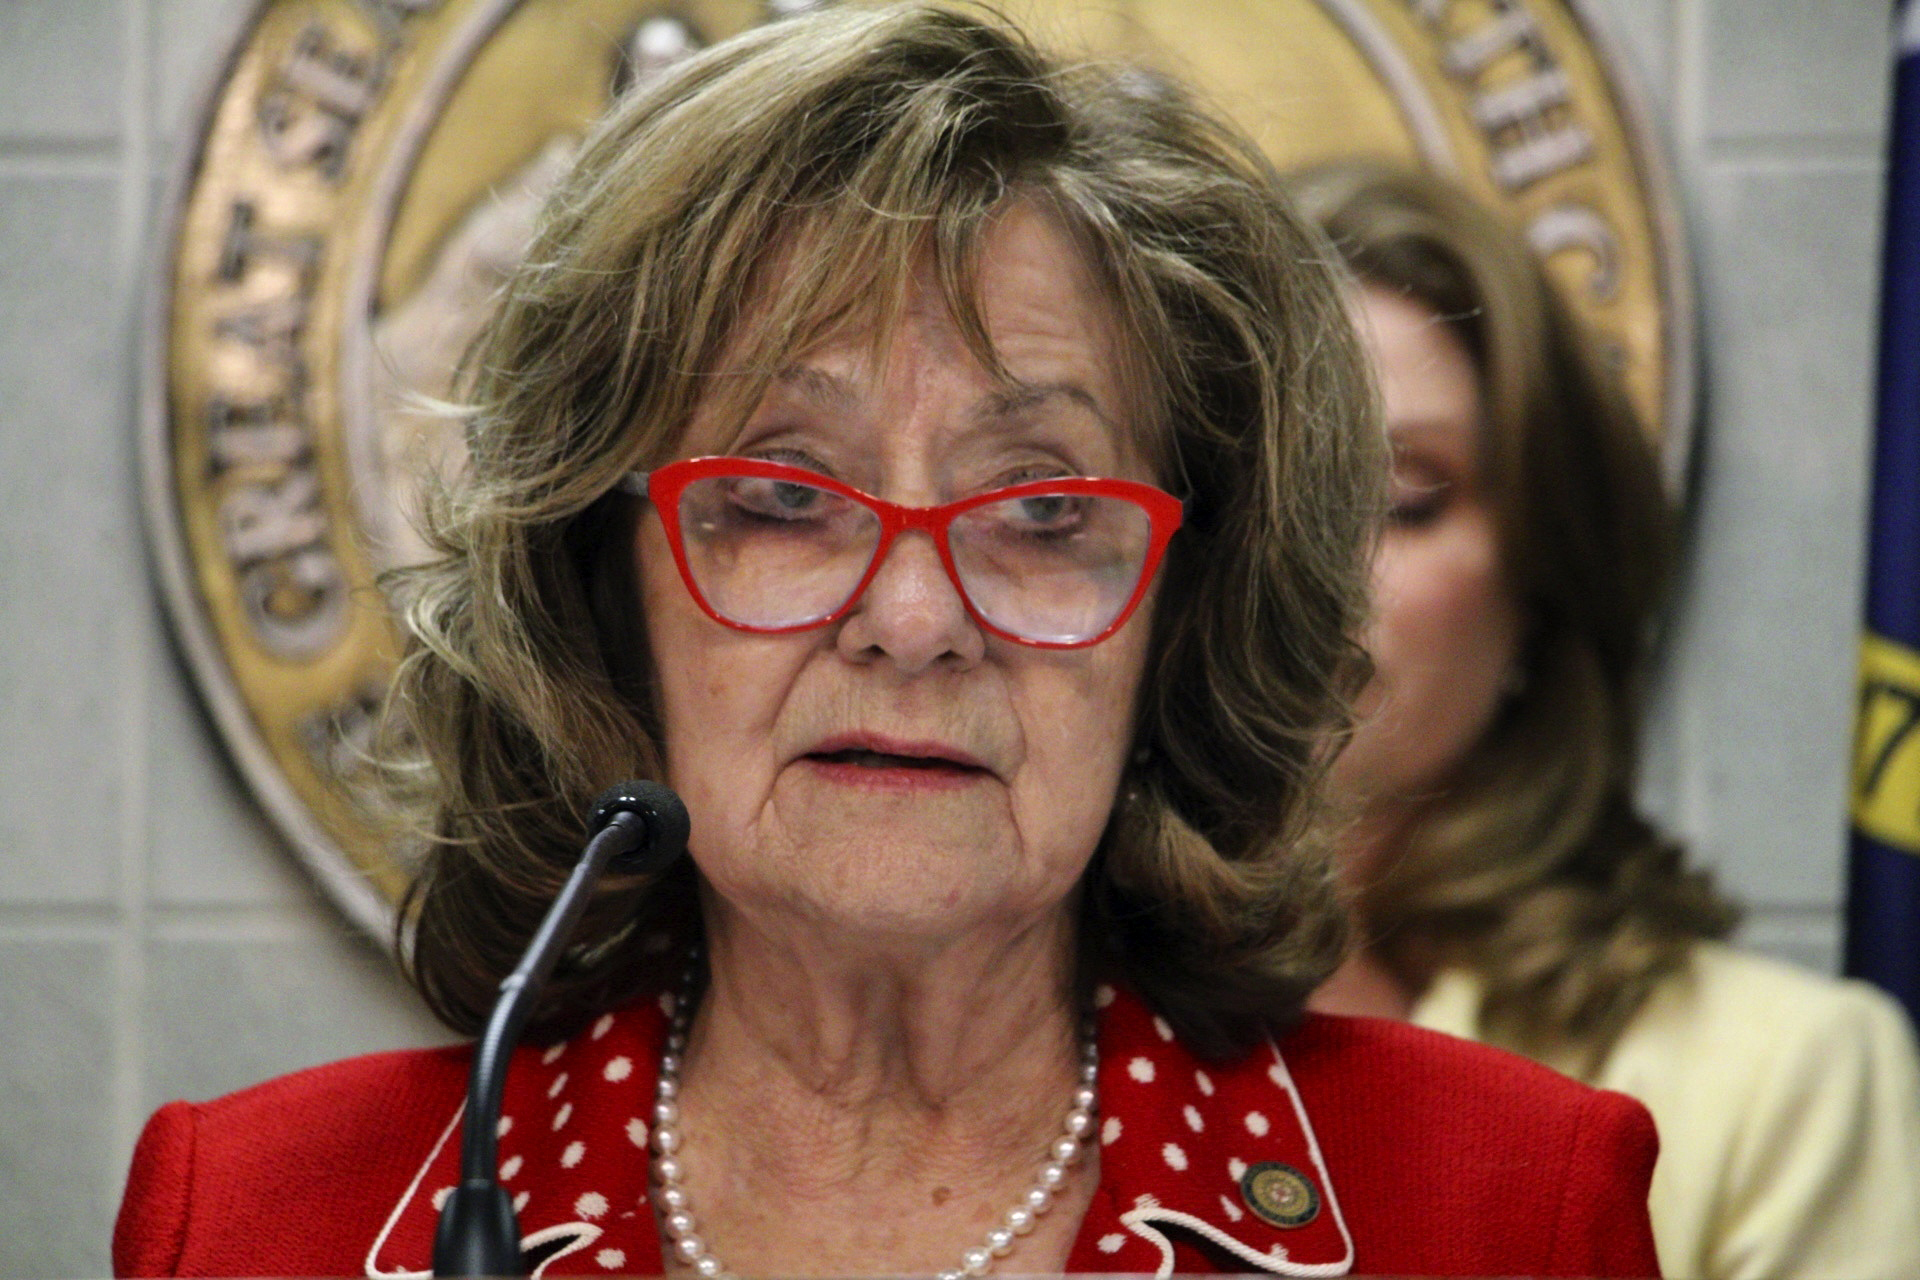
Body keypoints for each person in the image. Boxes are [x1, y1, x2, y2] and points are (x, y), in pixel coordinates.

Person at [114, 11, 1663, 1277]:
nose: (914, 622)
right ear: (605, 589)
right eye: (786, 496)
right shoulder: (256, 1221)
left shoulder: (1506, 1210)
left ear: (1181, 617)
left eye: (1044, 509)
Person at [1293, 160, 1920, 1280]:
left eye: (1404, 498)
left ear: (1543, 574)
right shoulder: (1011, 1005)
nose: (1316, 565)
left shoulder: (1781, 1078)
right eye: (1263, 489)